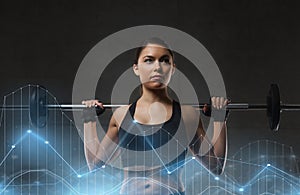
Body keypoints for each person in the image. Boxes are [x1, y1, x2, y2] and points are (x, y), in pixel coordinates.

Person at [82, 38, 229, 195]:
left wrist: (219, 118)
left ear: (172, 69)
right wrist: (88, 119)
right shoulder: (121, 115)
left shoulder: (187, 115)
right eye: (149, 60)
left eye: (165, 61)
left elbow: (216, 167)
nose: (157, 67)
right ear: (136, 68)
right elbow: (95, 164)